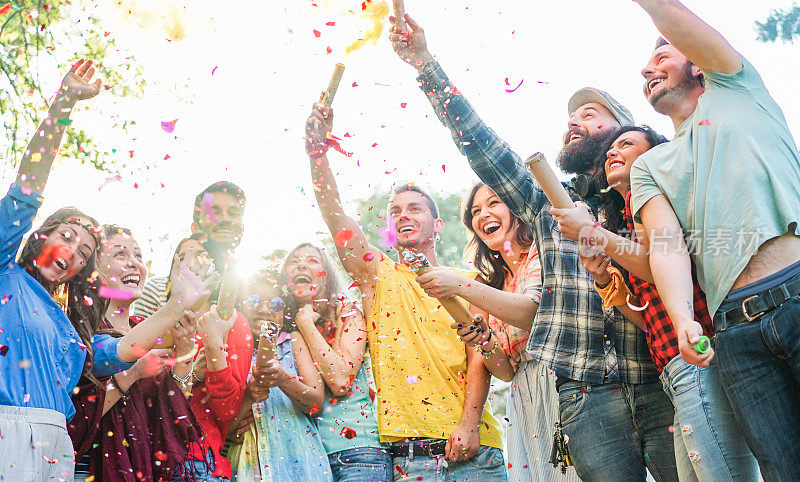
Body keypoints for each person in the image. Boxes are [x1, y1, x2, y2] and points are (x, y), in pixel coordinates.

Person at [389, 13, 676, 481]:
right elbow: (484, 148)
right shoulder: (548, 201)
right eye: (569, 121)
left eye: (589, 115)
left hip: (657, 376)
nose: (573, 125)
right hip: (585, 390)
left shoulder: (649, 200)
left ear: (624, 132)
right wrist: (425, 66)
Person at [0, 60, 213, 479]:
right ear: (40, 235)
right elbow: (26, 189)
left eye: (84, 253)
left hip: (54, 444)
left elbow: (119, 353)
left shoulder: (68, 328)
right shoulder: (5, 268)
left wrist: (175, 306)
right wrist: (63, 104)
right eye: (67, 236)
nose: (74, 252)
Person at [628, 2, 800, 478]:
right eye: (645, 68)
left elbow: (667, 13)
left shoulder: (737, 86)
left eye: (662, 56)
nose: (647, 69)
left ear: (697, 61)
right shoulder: (649, 168)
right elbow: (666, 247)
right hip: (736, 335)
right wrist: (684, 320)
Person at [305, 106, 506, 481]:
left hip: (476, 448)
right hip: (408, 458)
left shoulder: (471, 280)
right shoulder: (377, 277)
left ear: (438, 224)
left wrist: (468, 424)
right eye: (395, 211)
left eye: (415, 208)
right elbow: (336, 218)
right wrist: (318, 156)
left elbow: (480, 355)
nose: (404, 215)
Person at [552, 126, 758, 480]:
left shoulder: (653, 198)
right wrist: (605, 282)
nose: (612, 153)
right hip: (674, 368)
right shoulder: (627, 221)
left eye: (627, 144)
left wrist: (590, 232)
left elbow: (658, 265)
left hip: (696, 356)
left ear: (654, 156)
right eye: (609, 150)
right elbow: (650, 319)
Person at [416, 182, 579, 481]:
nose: (484, 214)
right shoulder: (495, 284)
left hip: (563, 384)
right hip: (525, 399)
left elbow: (532, 312)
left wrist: (458, 284)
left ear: (516, 211)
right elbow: (505, 371)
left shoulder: (540, 255)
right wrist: (486, 343)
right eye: (476, 211)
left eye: (493, 204)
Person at [68, 225, 206, 481]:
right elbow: (75, 421)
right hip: (89, 470)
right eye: (120, 255)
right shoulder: (78, 327)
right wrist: (130, 375)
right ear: (93, 270)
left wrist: (185, 356)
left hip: (142, 467)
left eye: (139, 256)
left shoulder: (146, 326)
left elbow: (167, 416)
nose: (134, 264)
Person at [283, 243, 391, 481]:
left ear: (327, 277)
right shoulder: (278, 328)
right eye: (295, 260)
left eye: (313, 260)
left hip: (357, 455)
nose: (302, 264)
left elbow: (341, 380)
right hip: (303, 458)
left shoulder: (349, 314)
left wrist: (306, 324)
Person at [246, 249, 332, 481]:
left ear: (284, 311)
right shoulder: (230, 348)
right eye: (254, 302)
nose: (265, 310)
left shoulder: (294, 341)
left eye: (275, 304)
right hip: (251, 464)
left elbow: (317, 403)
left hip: (302, 463)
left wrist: (283, 379)